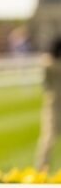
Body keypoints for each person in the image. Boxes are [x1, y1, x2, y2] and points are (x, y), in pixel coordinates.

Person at [36, 37, 61, 171]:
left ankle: (41, 169)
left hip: (52, 104)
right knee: (48, 139)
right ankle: (41, 169)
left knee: (48, 138)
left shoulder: (48, 64)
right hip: (53, 105)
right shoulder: (51, 65)